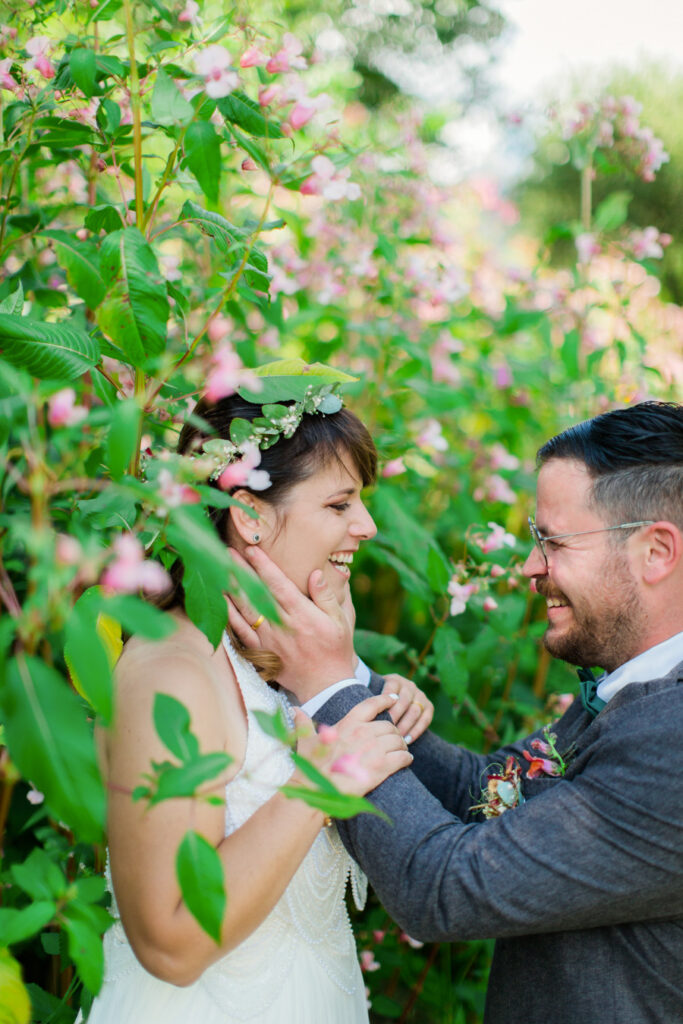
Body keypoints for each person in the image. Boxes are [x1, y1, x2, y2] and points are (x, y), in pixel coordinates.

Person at [227, 400, 683, 1024]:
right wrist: (354, 679)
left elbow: (444, 887)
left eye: (553, 541)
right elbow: (485, 792)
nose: (530, 566)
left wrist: (328, 688)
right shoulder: (639, 692)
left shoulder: (673, 743)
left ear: (656, 553)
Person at [85, 363, 420, 1024]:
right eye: (338, 504)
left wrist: (363, 690)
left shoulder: (270, 660)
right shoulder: (170, 678)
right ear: (247, 515)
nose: (368, 528)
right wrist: (320, 780)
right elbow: (171, 943)